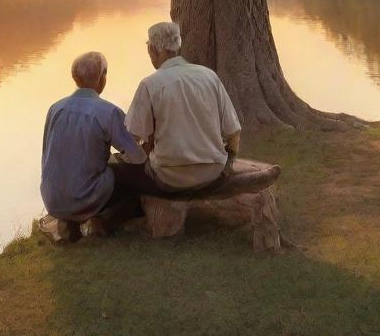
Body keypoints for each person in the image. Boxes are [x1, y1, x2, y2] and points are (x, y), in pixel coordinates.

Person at [118, 21, 242, 195]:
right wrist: (229, 162)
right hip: (213, 174)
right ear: (177, 46)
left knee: (123, 170)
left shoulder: (150, 84)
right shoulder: (209, 76)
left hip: (169, 178)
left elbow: (132, 138)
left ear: (153, 50)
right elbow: (234, 132)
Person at [40, 50, 146, 239]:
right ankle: (103, 220)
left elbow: (46, 154)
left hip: (52, 199)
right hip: (85, 197)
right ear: (102, 77)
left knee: (86, 170)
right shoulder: (108, 112)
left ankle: (69, 221)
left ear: (75, 77)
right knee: (127, 173)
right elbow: (137, 156)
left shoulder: (55, 109)